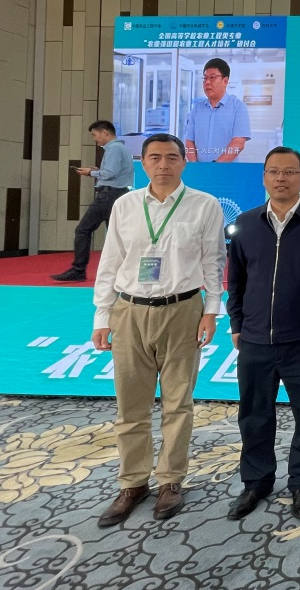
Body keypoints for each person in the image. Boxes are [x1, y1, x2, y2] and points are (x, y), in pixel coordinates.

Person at [90, 133, 226, 527]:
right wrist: (102, 316)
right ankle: (132, 482)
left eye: (171, 157)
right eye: (154, 158)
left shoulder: (205, 205)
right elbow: (110, 262)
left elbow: (214, 262)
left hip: (183, 310)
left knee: (178, 402)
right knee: (130, 404)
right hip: (129, 311)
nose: (163, 165)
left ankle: (170, 480)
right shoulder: (126, 205)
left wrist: (211, 311)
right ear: (143, 163)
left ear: (184, 162)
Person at [224, 147, 300, 521]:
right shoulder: (246, 223)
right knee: (254, 414)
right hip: (255, 339)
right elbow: (236, 280)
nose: (281, 178)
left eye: (289, 172)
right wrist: (237, 323)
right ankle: (256, 482)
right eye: (274, 171)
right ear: (264, 177)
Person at [51, 120, 134, 282]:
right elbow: (113, 172)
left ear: (105, 132)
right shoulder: (121, 148)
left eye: (95, 135)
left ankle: (78, 269)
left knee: (83, 230)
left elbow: (109, 173)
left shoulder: (113, 149)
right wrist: (97, 171)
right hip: (118, 194)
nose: (95, 139)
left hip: (108, 195)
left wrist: (90, 172)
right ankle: (126, 270)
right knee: (116, 234)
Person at [184, 57, 251, 163]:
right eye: (205, 78)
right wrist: (195, 166)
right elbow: (189, 141)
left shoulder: (238, 107)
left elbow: (238, 143)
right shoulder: (197, 109)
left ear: (225, 81)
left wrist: (215, 167)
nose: (207, 82)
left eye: (212, 78)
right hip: (200, 170)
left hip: (226, 170)